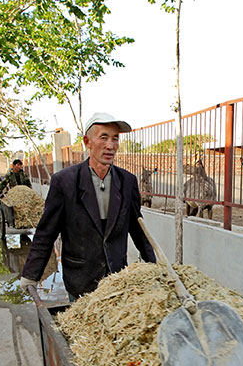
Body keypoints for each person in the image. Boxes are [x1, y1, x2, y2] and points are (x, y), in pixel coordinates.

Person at [18, 112, 156, 300]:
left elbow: (138, 229)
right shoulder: (65, 182)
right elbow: (46, 233)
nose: (110, 146)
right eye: (104, 137)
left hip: (117, 281)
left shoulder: (127, 181)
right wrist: (30, 275)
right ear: (87, 142)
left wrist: (154, 267)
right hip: (81, 281)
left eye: (115, 139)